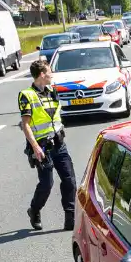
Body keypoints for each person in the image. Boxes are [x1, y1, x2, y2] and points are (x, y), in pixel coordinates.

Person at [18, 59, 76, 231]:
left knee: (69, 180)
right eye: (50, 72)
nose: (52, 74)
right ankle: (34, 210)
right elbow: (25, 124)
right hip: (42, 148)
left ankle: (70, 218)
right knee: (46, 184)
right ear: (42, 75)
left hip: (59, 144)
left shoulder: (52, 91)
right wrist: (35, 148)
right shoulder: (27, 95)